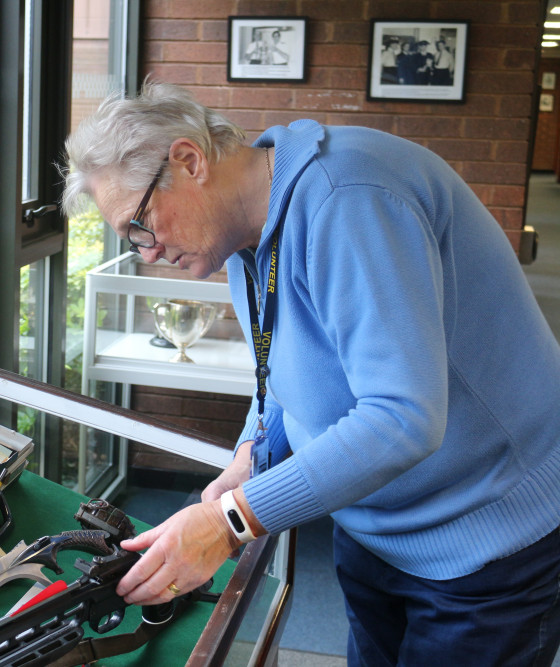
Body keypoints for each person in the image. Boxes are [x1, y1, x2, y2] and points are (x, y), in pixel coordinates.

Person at [60, 81, 560, 666]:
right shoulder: (243, 233)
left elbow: (403, 421)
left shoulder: (348, 196)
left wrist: (229, 523)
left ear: (189, 160)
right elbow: (283, 373)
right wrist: (249, 457)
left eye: (139, 225)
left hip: (488, 539)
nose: (146, 251)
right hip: (377, 521)